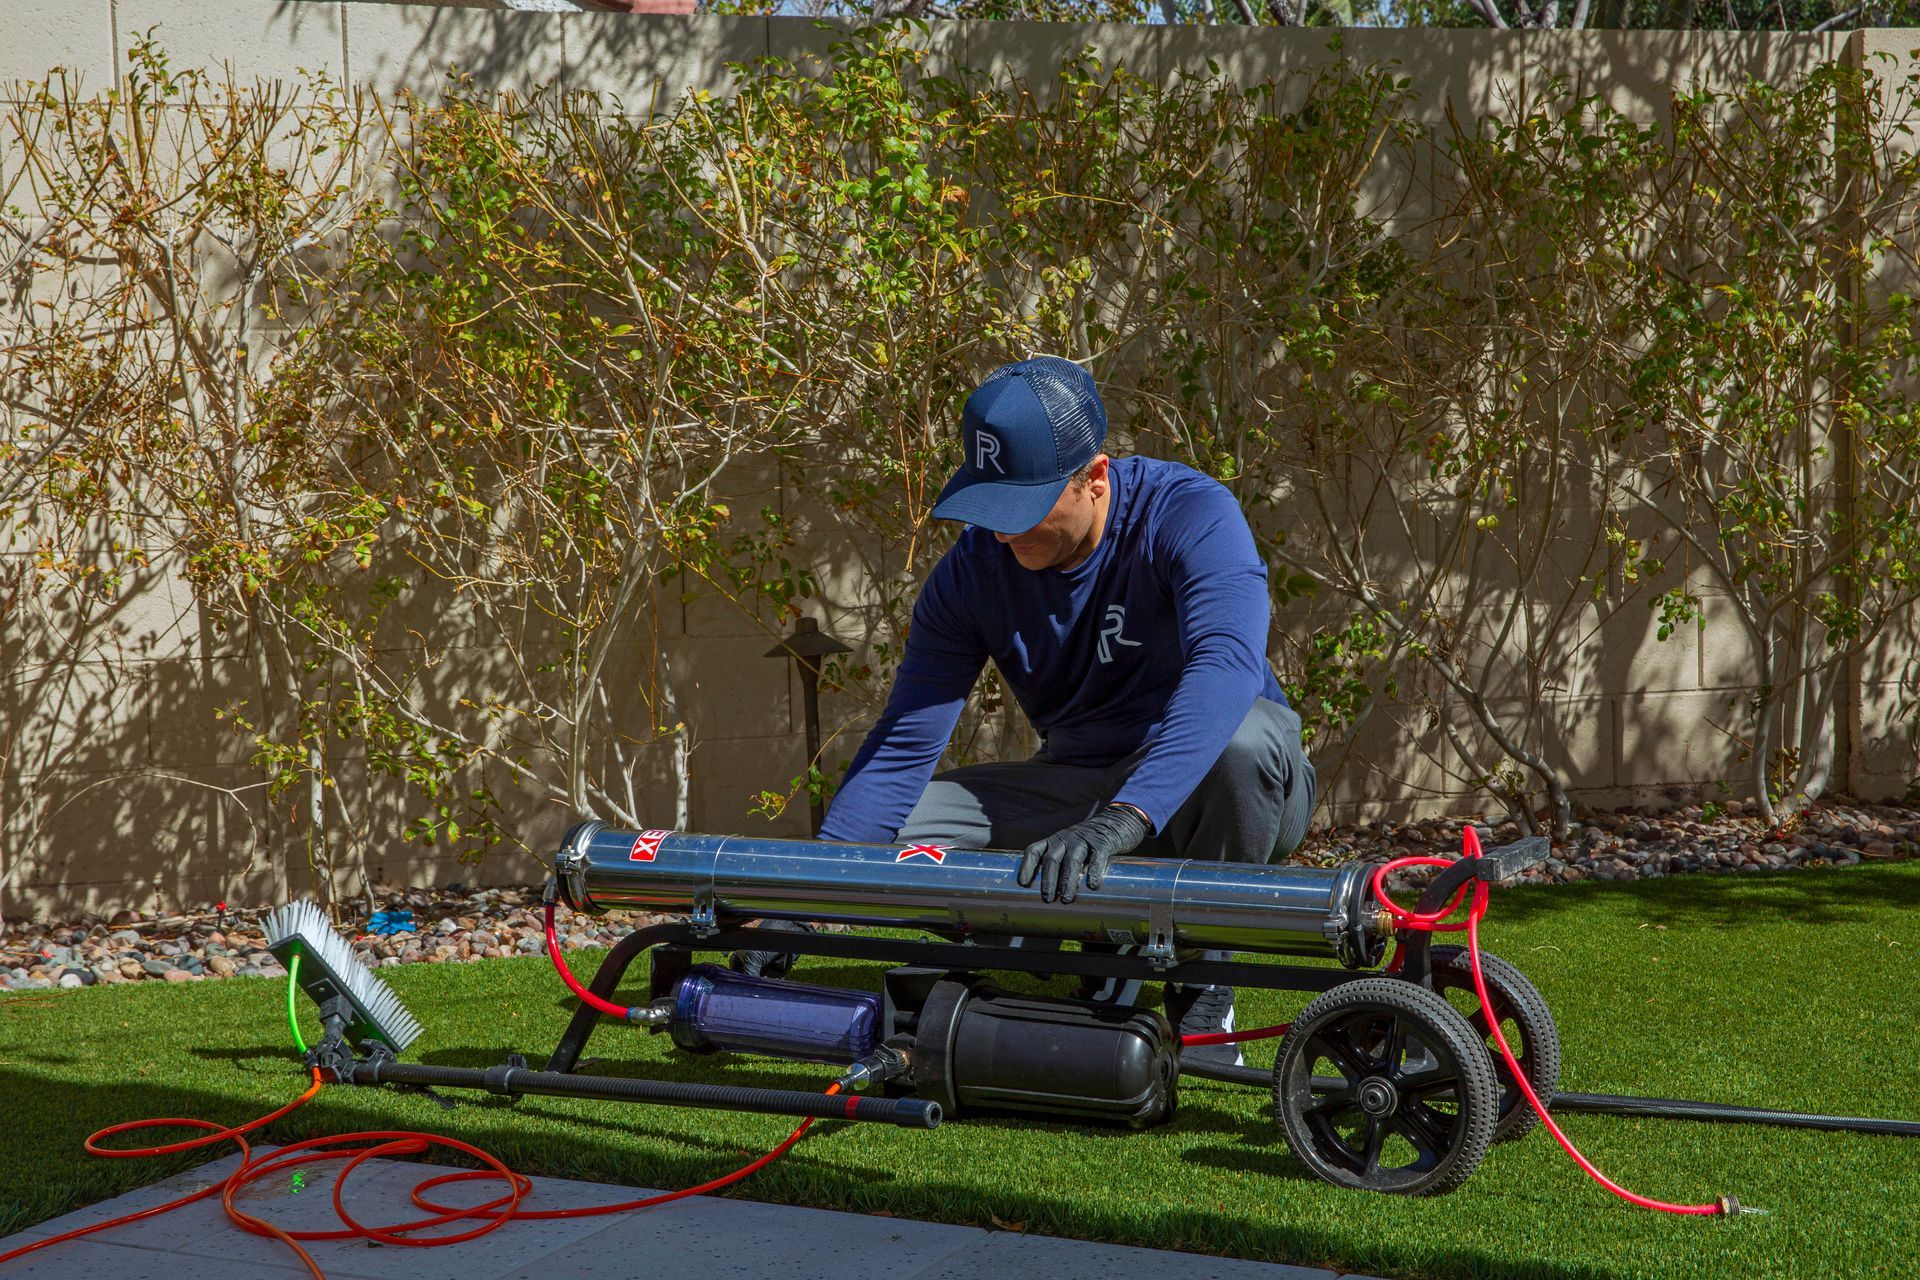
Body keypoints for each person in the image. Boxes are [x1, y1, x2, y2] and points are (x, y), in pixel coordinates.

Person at [741, 356, 1315, 1066]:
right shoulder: (973, 573)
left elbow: (1227, 669)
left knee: (1246, 740)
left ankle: (1201, 982)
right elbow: (901, 746)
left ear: (1095, 478)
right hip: (1081, 784)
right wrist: (803, 900)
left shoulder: (1192, 514)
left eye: (1025, 509)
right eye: (991, 509)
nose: (1005, 534)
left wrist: (1125, 820)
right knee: (907, 830)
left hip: (1228, 788)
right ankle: (1083, 942)